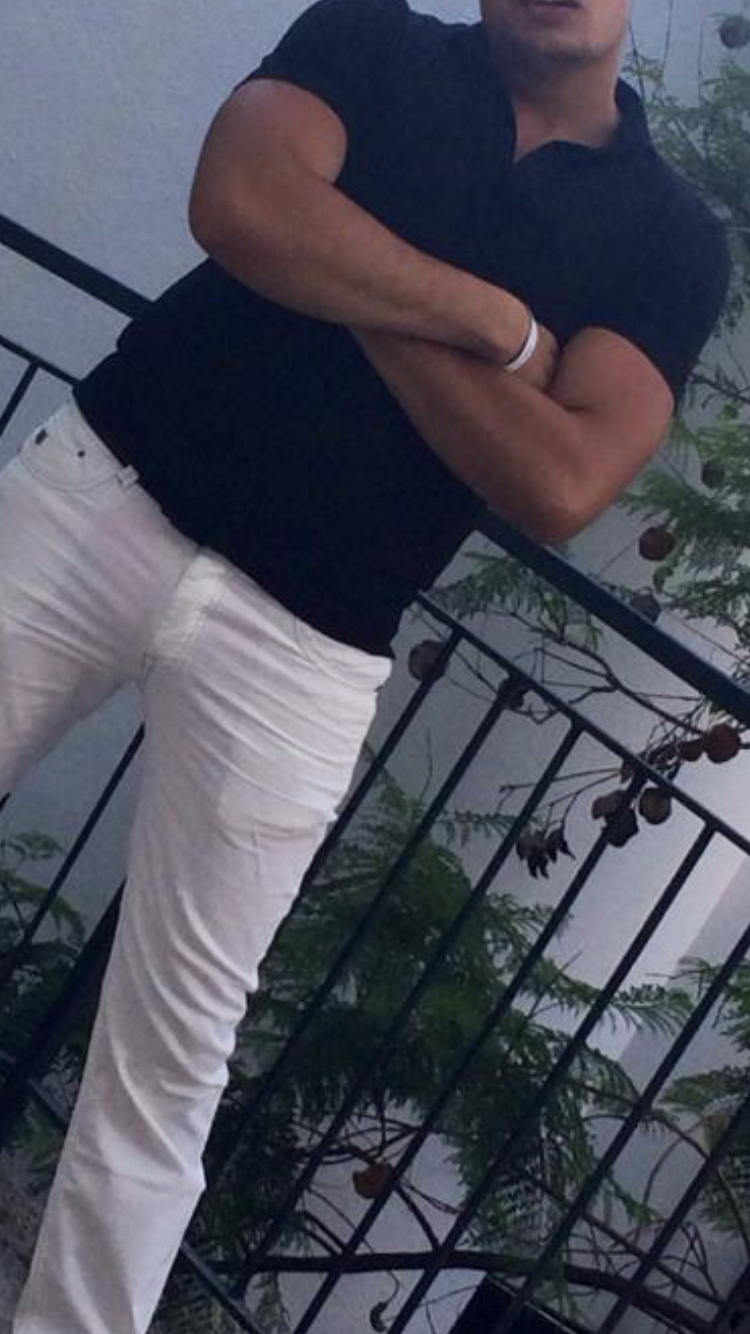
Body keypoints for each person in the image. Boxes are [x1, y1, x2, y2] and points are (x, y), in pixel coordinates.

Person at [4, 0, 729, 1330]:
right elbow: (239, 205)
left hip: (310, 643)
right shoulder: (369, 39)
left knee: (167, 1068)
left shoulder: (670, 239)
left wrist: (343, 256)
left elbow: (561, 477)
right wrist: (493, 325)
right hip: (104, 498)